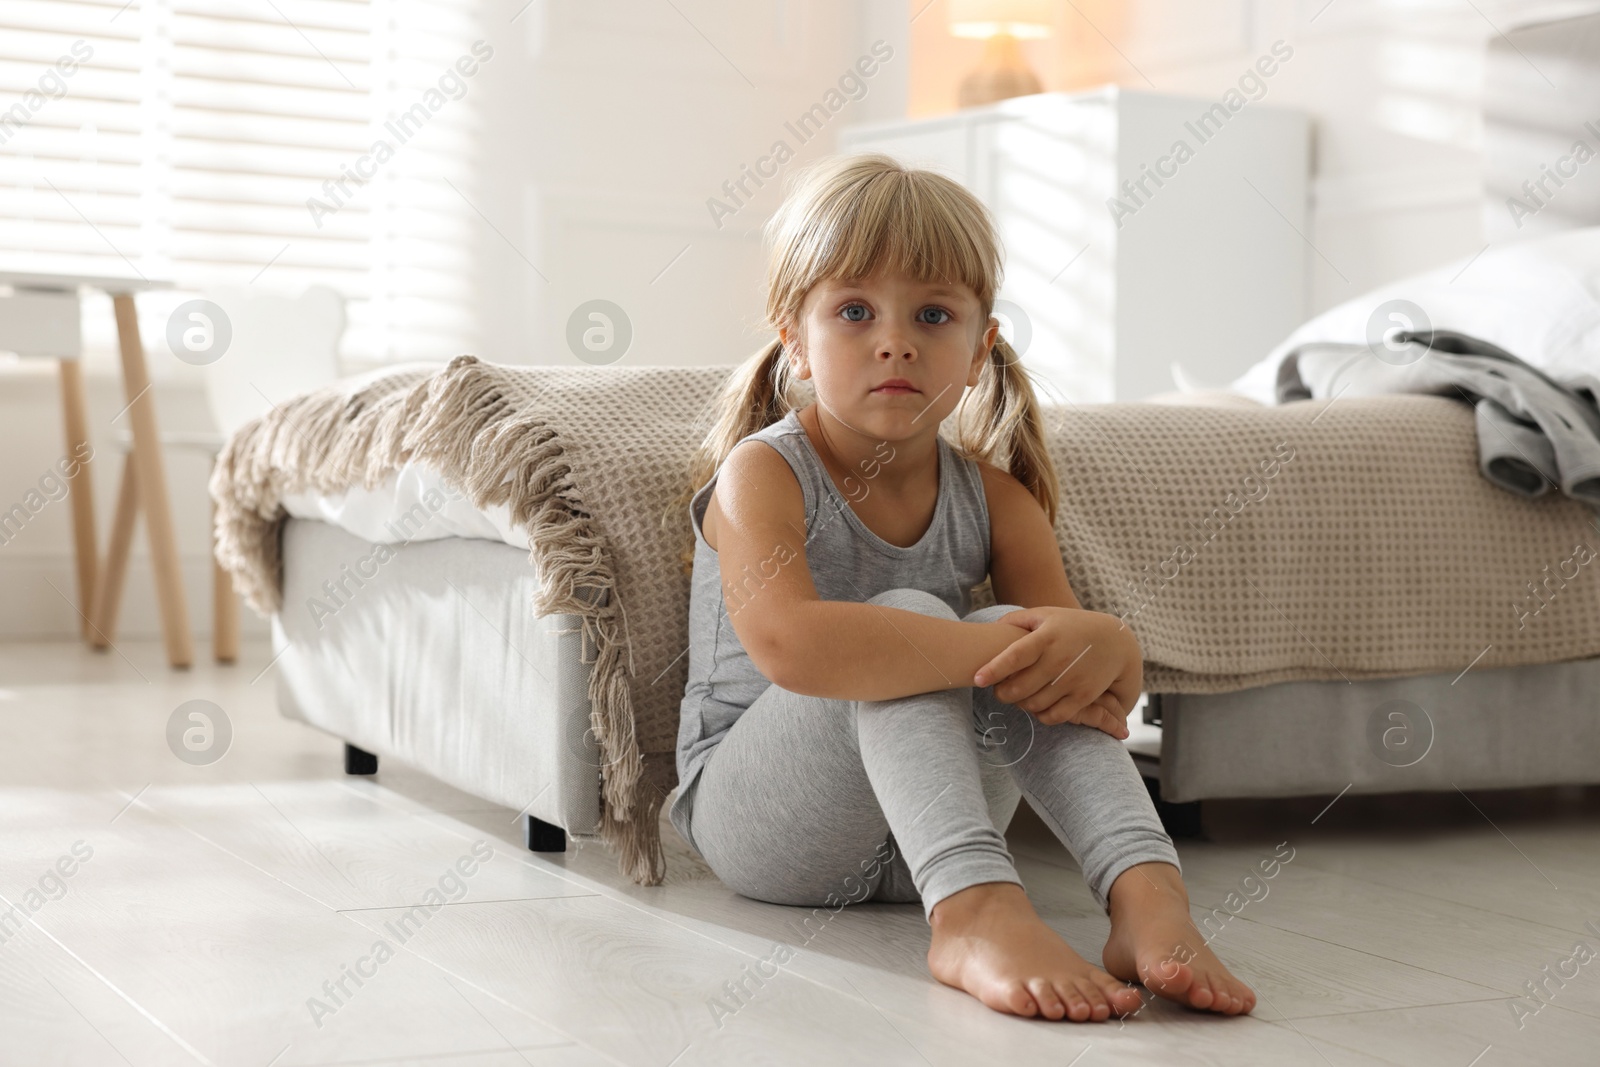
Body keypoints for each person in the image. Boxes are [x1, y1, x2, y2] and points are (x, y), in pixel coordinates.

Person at [662, 152, 1256, 1022]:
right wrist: (1009, 645)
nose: (895, 340)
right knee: (922, 624)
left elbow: (1086, 691)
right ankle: (975, 915)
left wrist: (1111, 647)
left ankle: (1147, 902)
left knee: (1027, 636)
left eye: (932, 314)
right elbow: (792, 644)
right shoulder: (765, 473)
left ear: (979, 349)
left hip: (931, 834)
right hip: (769, 830)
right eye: (855, 310)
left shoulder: (998, 497)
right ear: (795, 335)